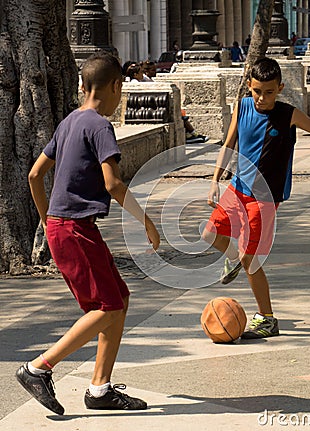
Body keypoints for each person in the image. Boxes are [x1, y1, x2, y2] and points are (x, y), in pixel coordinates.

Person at [16, 52, 160, 415]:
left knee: (119, 299)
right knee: (107, 306)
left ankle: (100, 389)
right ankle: (38, 367)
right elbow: (112, 183)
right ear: (115, 86)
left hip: (66, 228)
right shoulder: (99, 125)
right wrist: (146, 220)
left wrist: (48, 218)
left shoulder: (68, 123)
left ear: (83, 86)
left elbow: (35, 175)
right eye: (121, 89)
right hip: (75, 230)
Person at [202, 57, 310, 339]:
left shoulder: (289, 114)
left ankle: (267, 318)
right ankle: (232, 259)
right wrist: (215, 180)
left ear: (280, 88)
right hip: (238, 189)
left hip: (264, 199)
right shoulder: (241, 107)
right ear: (249, 87)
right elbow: (229, 144)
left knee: (251, 261)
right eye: (256, 91)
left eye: (268, 92)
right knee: (208, 235)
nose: (262, 98)